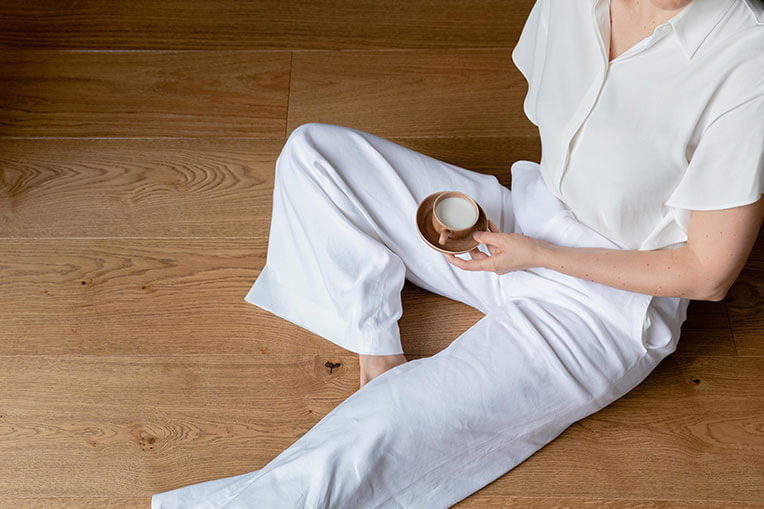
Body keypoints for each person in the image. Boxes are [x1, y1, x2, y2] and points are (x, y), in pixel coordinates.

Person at [152, 0, 764, 507]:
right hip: (521, 221)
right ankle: (379, 360)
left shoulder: (747, 55)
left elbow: (707, 274)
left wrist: (538, 256)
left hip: (605, 308)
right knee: (315, 155)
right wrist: (521, 241)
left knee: (373, 437)